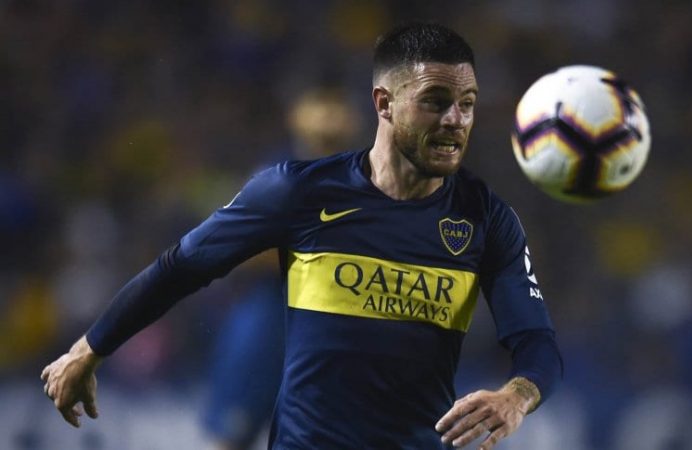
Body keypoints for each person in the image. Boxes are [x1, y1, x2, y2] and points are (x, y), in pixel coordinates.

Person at [41, 23, 563, 450]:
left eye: (467, 103)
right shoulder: (299, 190)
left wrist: (516, 396)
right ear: (384, 103)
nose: (455, 119)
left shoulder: (487, 219)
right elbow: (182, 267)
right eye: (436, 100)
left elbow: (536, 340)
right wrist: (90, 348)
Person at [201, 86, 362, 450]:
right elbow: (237, 248)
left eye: (338, 109)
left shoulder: (368, 177)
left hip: (335, 325)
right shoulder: (275, 175)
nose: (329, 119)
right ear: (298, 117)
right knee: (233, 435)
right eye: (321, 107)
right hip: (271, 319)